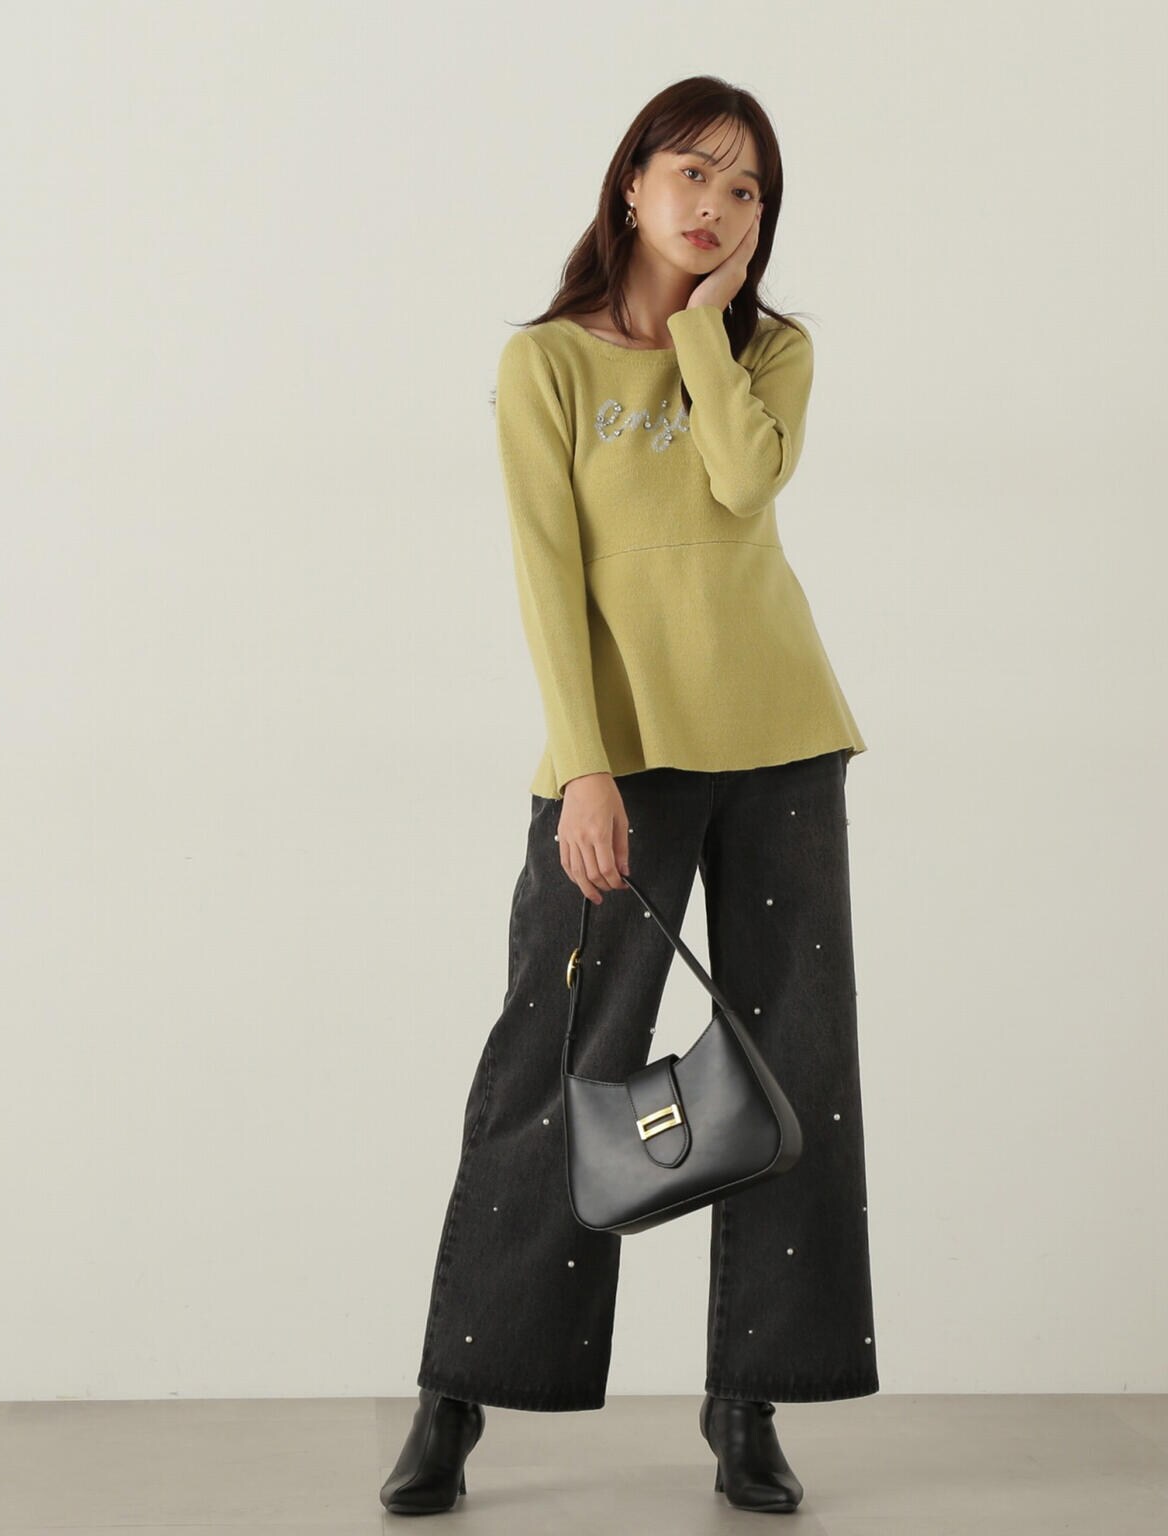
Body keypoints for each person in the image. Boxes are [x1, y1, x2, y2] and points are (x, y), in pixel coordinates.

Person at [380, 74, 879, 1517]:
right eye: (691, 174)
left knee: (793, 1066)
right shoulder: (546, 362)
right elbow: (548, 576)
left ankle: (749, 1401)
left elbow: (741, 487)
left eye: (745, 187)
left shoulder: (771, 350)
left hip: (780, 738)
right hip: (618, 760)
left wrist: (708, 327)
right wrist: (584, 766)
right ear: (631, 184)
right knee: (556, 1060)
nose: (714, 204)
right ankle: (458, 1391)